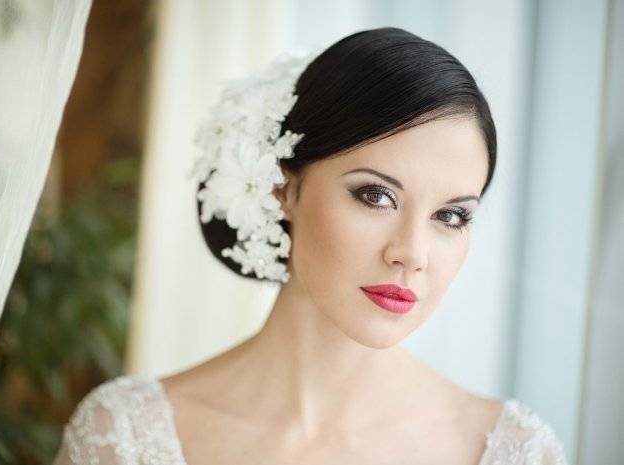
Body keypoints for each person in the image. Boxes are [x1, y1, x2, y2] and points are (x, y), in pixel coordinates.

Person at [52, 27, 568, 465]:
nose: (412, 253)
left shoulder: (511, 451)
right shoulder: (123, 436)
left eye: (450, 216)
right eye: (376, 196)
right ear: (284, 188)